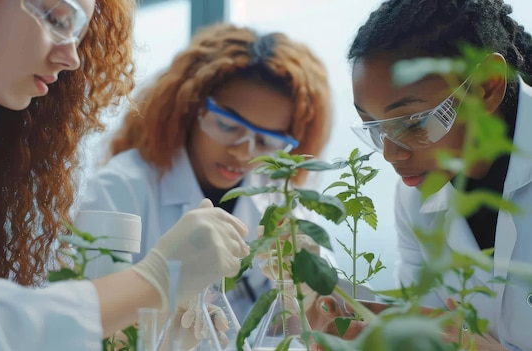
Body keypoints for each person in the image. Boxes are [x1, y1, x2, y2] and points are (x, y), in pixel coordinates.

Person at [0, 1, 250, 350]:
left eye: (78, 32)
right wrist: (157, 279)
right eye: (56, 18)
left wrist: (164, 341)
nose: (71, 57)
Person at [79, 22, 335, 321]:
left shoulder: (276, 195)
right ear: (190, 108)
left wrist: (309, 283)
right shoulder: (121, 188)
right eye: (227, 126)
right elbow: (83, 319)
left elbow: (306, 320)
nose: (243, 152)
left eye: (266, 141)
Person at [343, 0, 532, 349]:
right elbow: (433, 324)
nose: (391, 153)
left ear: (487, 87)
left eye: (413, 123)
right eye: (373, 126)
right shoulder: (416, 193)